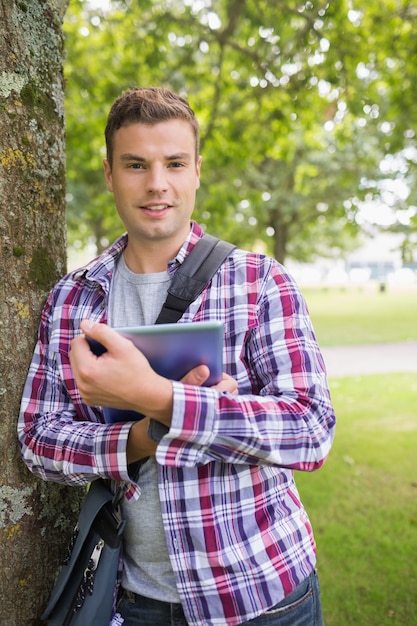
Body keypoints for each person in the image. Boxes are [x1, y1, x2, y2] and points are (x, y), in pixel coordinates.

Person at [18, 86, 336, 626]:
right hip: (135, 598)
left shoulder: (260, 282)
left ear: (196, 172)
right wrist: (141, 435)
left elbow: (311, 430)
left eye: (174, 163)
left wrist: (159, 398)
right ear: (110, 173)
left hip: (262, 594)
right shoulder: (71, 298)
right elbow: (38, 440)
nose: (157, 183)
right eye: (136, 164)